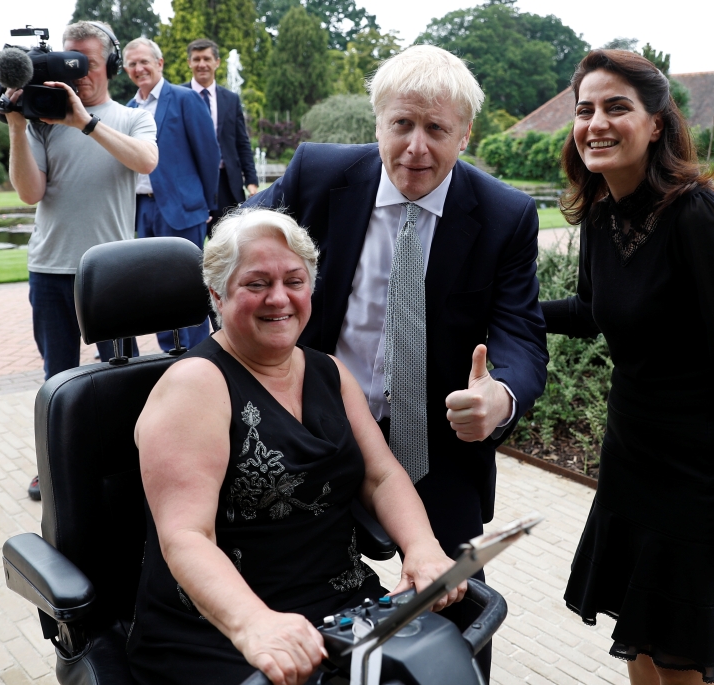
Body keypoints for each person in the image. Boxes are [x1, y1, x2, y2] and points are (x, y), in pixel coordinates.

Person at [246, 44, 548, 680]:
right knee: (302, 597)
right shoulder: (318, 176)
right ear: (378, 122)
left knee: (455, 609)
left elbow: (521, 333)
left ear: (465, 133)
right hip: (317, 434)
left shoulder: (505, 215)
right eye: (402, 124)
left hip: (437, 447)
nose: (416, 146)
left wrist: (501, 396)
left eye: (436, 128)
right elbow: (237, 244)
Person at [127, 208, 463, 685]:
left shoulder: (329, 371)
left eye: (294, 280)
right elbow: (186, 536)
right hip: (226, 629)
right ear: (216, 295)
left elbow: (381, 474)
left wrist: (423, 548)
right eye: (257, 283)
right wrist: (253, 624)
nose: (280, 298)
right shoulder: (194, 386)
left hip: (342, 610)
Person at [541, 50, 714, 684]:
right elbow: (594, 311)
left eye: (617, 107)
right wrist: (505, 312)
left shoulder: (699, 217)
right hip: (631, 461)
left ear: (656, 123)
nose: (596, 122)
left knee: (680, 659)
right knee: (641, 644)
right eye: (585, 109)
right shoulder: (601, 215)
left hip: (697, 479)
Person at [6, 20, 158, 501]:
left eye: (86, 64)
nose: (77, 74)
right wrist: (17, 124)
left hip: (111, 271)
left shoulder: (132, 118)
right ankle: (54, 468)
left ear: (109, 65)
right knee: (58, 377)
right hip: (51, 268)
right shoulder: (40, 123)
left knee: (122, 372)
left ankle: (127, 458)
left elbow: (146, 162)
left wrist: (86, 124)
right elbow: (31, 193)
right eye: (65, 64)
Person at [123, 37, 219, 352]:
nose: (139, 69)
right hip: (143, 211)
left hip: (184, 210)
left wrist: (207, 204)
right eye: (132, 64)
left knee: (188, 291)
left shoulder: (185, 99)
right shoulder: (128, 110)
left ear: (159, 63)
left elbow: (208, 154)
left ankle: (202, 360)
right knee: (155, 292)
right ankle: (170, 358)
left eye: (144, 62)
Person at [182, 38, 260, 224]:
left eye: (207, 59)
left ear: (217, 62)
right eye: (197, 59)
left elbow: (242, 142)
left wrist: (251, 180)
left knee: (229, 244)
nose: (202, 64)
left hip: (226, 184)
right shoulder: (178, 96)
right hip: (191, 183)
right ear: (189, 62)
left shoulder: (231, 99)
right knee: (189, 246)